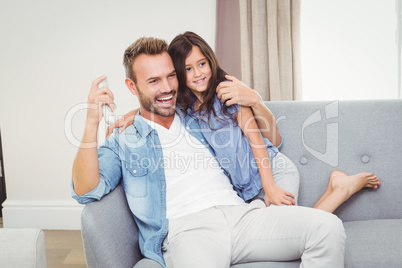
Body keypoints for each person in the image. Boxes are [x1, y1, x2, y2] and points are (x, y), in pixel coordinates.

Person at [71, 36, 371, 268]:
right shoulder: (123, 139)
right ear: (131, 86)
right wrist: (91, 123)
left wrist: (254, 99)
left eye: (170, 76)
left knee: (326, 227)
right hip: (188, 230)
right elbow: (86, 189)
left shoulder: (197, 112)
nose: (167, 88)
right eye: (153, 81)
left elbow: (267, 138)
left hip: (242, 216)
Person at [107, 31, 381, 213]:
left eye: (202, 64)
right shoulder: (185, 107)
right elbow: (157, 104)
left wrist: (271, 186)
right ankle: (338, 186)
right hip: (244, 190)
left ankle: (342, 188)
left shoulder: (228, 94)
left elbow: (257, 141)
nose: (198, 73)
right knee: (284, 232)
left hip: (272, 172)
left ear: (211, 62)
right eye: (187, 69)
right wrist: (131, 115)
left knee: (287, 230)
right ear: (178, 75)